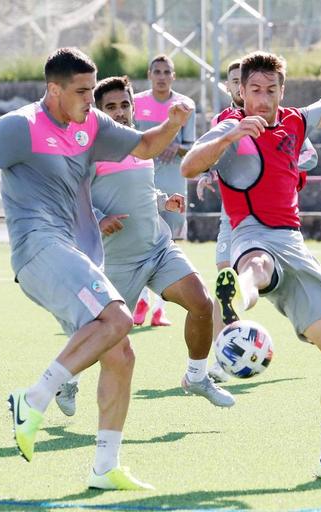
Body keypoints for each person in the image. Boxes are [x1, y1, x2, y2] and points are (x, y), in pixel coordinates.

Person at [0, 47, 193, 491]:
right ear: (53, 89)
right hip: (38, 249)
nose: (90, 99)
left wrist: (175, 122)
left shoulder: (92, 124)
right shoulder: (19, 127)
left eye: (91, 89)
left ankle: (105, 467)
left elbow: (144, 145)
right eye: (81, 92)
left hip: (77, 253)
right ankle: (35, 397)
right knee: (119, 318)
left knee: (120, 351)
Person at [181, 44, 321, 481]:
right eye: (255, 90)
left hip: (295, 243)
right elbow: (189, 167)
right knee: (256, 269)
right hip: (251, 234)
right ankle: (235, 302)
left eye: (272, 89)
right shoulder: (230, 125)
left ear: (281, 90)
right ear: (242, 93)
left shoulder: (293, 122)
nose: (264, 99)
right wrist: (231, 136)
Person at [53, 75, 234, 416]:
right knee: (102, 338)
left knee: (202, 302)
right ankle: (68, 379)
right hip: (116, 262)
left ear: (134, 107)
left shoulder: (141, 146)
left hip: (157, 249)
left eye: (125, 105)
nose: (120, 112)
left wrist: (165, 201)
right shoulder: (88, 150)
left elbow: (141, 191)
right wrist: (99, 216)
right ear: (98, 111)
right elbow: (70, 199)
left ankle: (196, 377)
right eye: (111, 107)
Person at [196, 59, 319, 383]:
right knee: (229, 276)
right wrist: (210, 171)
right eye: (241, 84)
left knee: (257, 276)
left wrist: (292, 170)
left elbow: (304, 153)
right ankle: (224, 356)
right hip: (234, 217)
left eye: (267, 88)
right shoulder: (225, 120)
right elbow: (212, 154)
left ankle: (308, 323)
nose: (251, 92)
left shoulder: (285, 119)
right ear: (236, 88)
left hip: (277, 219)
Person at [131, 55, 197, 327]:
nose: (161, 76)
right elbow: (130, 139)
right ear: (149, 75)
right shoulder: (137, 103)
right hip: (143, 181)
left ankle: (160, 308)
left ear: (174, 75)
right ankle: (141, 300)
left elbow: (192, 146)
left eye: (166, 71)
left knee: (170, 244)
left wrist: (175, 146)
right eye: (156, 71)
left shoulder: (184, 106)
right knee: (143, 240)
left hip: (173, 181)